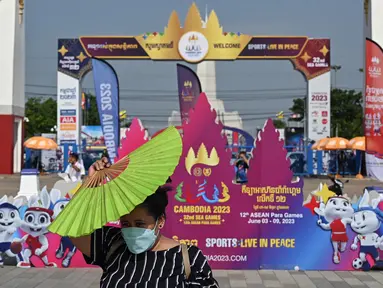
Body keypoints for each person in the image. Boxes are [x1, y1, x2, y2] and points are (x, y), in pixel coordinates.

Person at [70, 158, 220, 288]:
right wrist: (90, 183)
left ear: (160, 221)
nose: (132, 230)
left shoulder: (188, 257)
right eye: (126, 224)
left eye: (140, 224)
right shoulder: (113, 243)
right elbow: (72, 227)